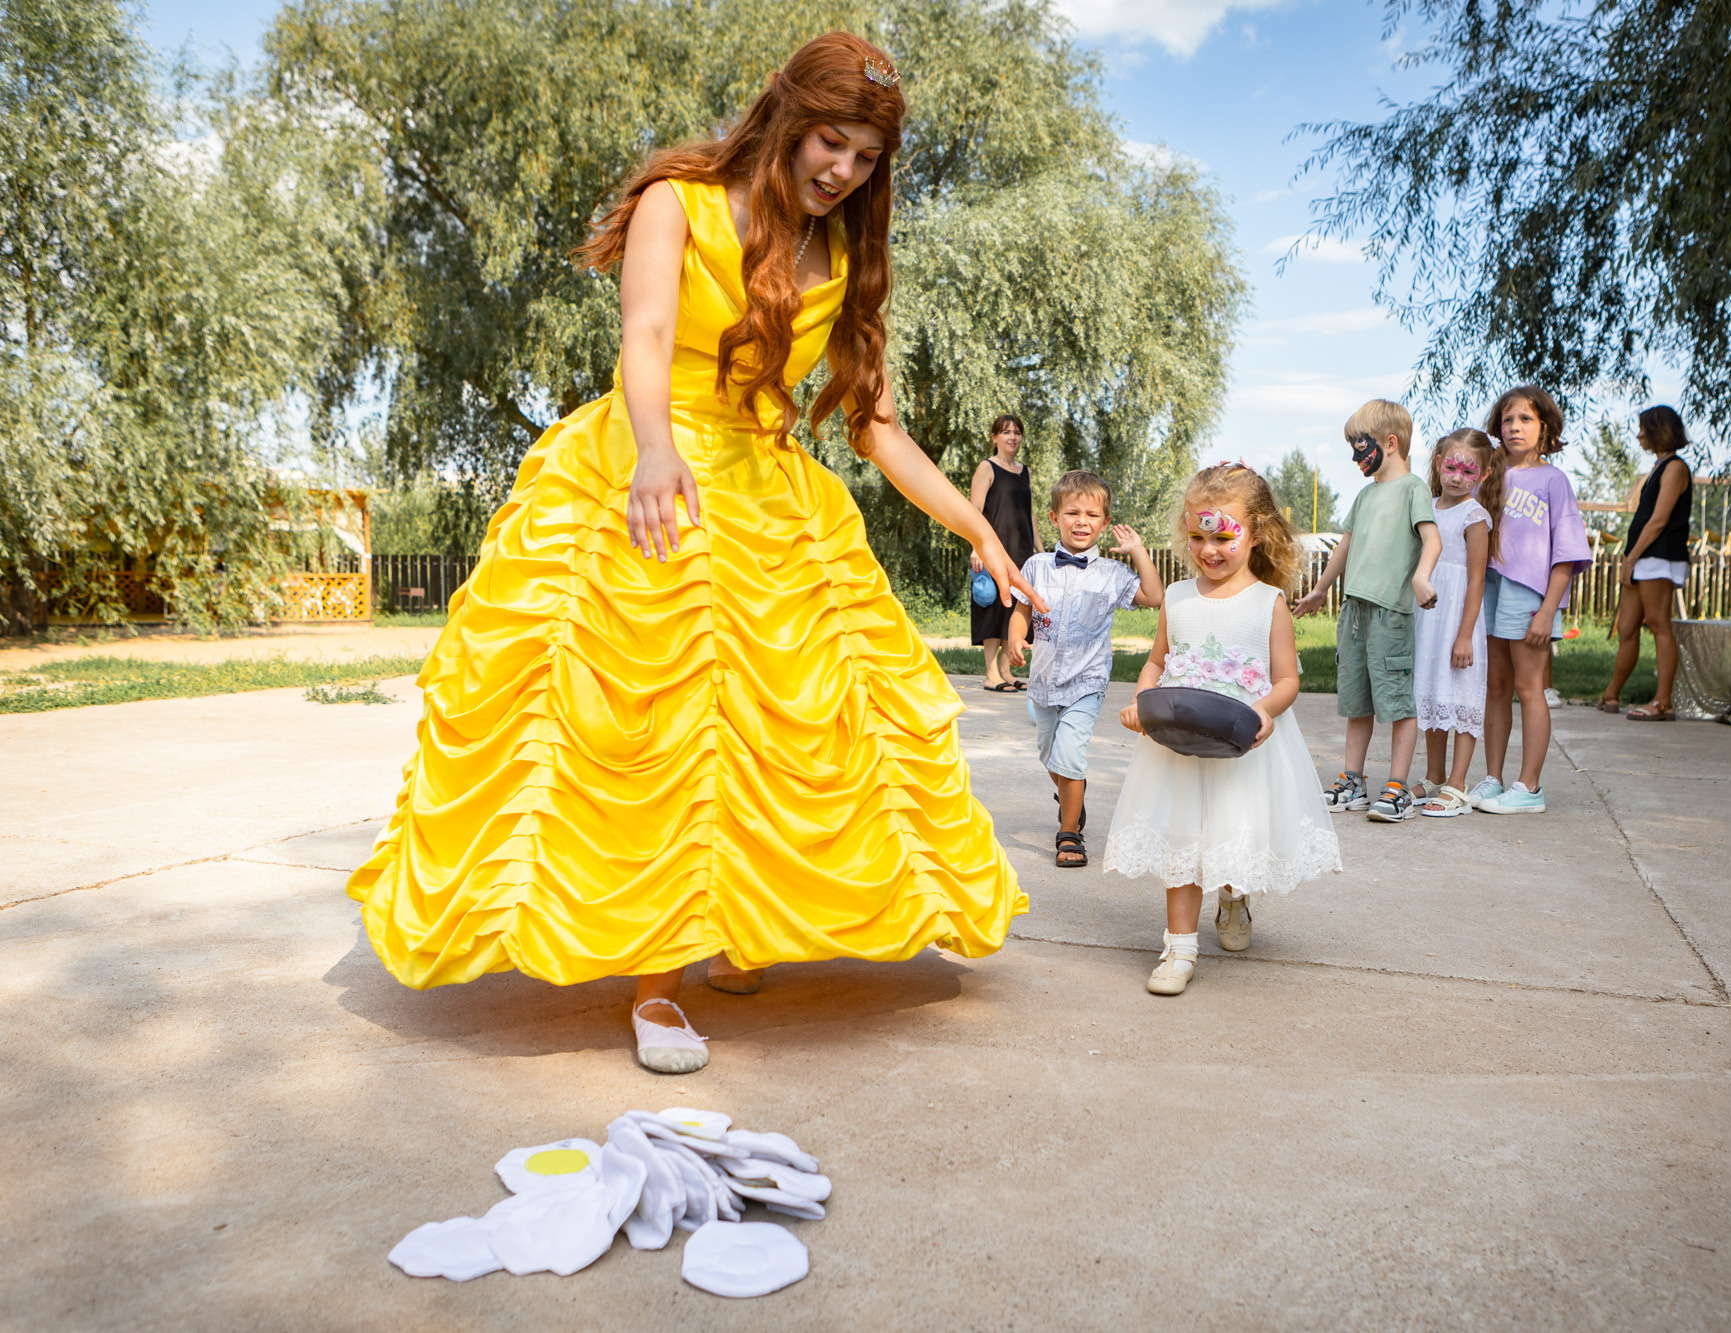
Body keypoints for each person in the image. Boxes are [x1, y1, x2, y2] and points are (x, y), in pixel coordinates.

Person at [345, 33, 1047, 1077]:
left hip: (769, 495)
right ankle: (656, 984)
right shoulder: (678, 200)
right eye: (829, 142)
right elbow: (645, 337)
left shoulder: (845, 255)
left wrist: (976, 522)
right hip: (648, 470)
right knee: (649, 724)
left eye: (863, 157)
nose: (841, 171)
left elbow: (877, 426)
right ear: (784, 114)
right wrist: (657, 452)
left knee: (781, 731)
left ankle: (742, 920)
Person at [1105, 463, 1342, 996]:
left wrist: (1264, 711)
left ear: (1256, 533)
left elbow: (1287, 680)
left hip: (1241, 744)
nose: (1209, 549)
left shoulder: (1268, 603)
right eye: (1197, 536)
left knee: (1233, 832)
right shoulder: (1178, 598)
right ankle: (1179, 948)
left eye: (1223, 536)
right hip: (1180, 746)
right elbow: (1156, 662)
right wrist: (1141, 701)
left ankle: (1233, 894)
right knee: (1181, 841)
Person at [1004, 470, 1165, 868]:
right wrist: (1014, 638)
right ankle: (1072, 794)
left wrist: (1138, 551)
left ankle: (1069, 833)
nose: (1082, 521)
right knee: (1050, 755)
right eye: (1072, 512)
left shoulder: (1111, 574)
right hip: (1042, 681)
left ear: (1105, 523)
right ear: (1054, 517)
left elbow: (1154, 596)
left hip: (1086, 682)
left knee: (1070, 755)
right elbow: (1021, 609)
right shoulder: (1037, 565)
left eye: (1092, 515)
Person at [1294, 400, 1442, 823]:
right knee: (1356, 701)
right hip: (1353, 612)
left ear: (1389, 443)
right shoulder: (1364, 495)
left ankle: (1397, 788)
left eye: (1360, 447)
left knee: (1397, 703)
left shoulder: (1413, 489)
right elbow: (1346, 545)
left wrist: (1421, 577)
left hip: (1390, 615)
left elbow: (1432, 540)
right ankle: (1353, 781)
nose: (1355, 456)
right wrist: (1321, 589)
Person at [1468, 386, 1592, 815]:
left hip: (1529, 596)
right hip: (1489, 589)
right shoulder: (1488, 476)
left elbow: (1567, 553)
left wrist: (1547, 610)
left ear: (1546, 428)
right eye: (1507, 419)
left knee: (1529, 688)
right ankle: (1493, 778)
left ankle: (1530, 787)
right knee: (1496, 687)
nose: (1514, 427)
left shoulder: (1553, 480)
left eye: (1525, 419)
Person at [1412, 429, 1503, 817]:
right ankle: (1434, 774)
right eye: (1451, 466)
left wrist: (1465, 635)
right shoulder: (1426, 506)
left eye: (1468, 471)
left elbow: (1477, 578)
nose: (1456, 476)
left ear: (1482, 476)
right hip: (1429, 616)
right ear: (1438, 463)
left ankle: (1458, 782)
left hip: (1458, 619)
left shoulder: (1474, 516)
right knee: (1434, 692)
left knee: (1460, 693)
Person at [1598, 405, 1692, 721]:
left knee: (1658, 623)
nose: (1639, 435)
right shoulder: (1658, 466)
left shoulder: (1676, 468)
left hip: (1659, 556)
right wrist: (1630, 558)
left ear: (1658, 431)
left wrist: (1631, 558)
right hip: (1641, 558)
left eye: (1643, 429)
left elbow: (1659, 520)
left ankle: (1663, 702)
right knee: (1627, 627)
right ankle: (1611, 694)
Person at [969, 414, 1040, 691]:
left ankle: (1005, 671)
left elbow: (1029, 514)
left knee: (1015, 610)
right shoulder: (986, 468)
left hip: (1021, 551)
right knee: (993, 609)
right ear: (994, 437)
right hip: (992, 549)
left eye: (1017, 432)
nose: (1012, 437)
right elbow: (973, 511)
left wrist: (1042, 551)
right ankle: (990, 674)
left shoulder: (1025, 471)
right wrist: (976, 546)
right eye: (1006, 432)